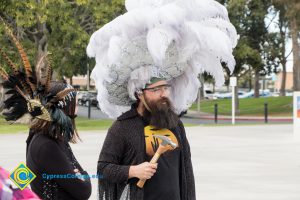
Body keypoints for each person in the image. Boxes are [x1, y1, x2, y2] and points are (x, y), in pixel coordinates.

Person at [87, 0, 237, 199]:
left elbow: (186, 173)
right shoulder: (123, 127)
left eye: (166, 87)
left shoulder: (175, 124)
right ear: (139, 92)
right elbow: (103, 168)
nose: (164, 93)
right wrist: (132, 171)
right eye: (156, 89)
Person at [0, 23, 91, 200]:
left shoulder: (50, 136)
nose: (78, 109)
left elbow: (26, 173)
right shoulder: (46, 145)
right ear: (65, 108)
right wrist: (83, 176)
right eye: (75, 104)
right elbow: (84, 191)